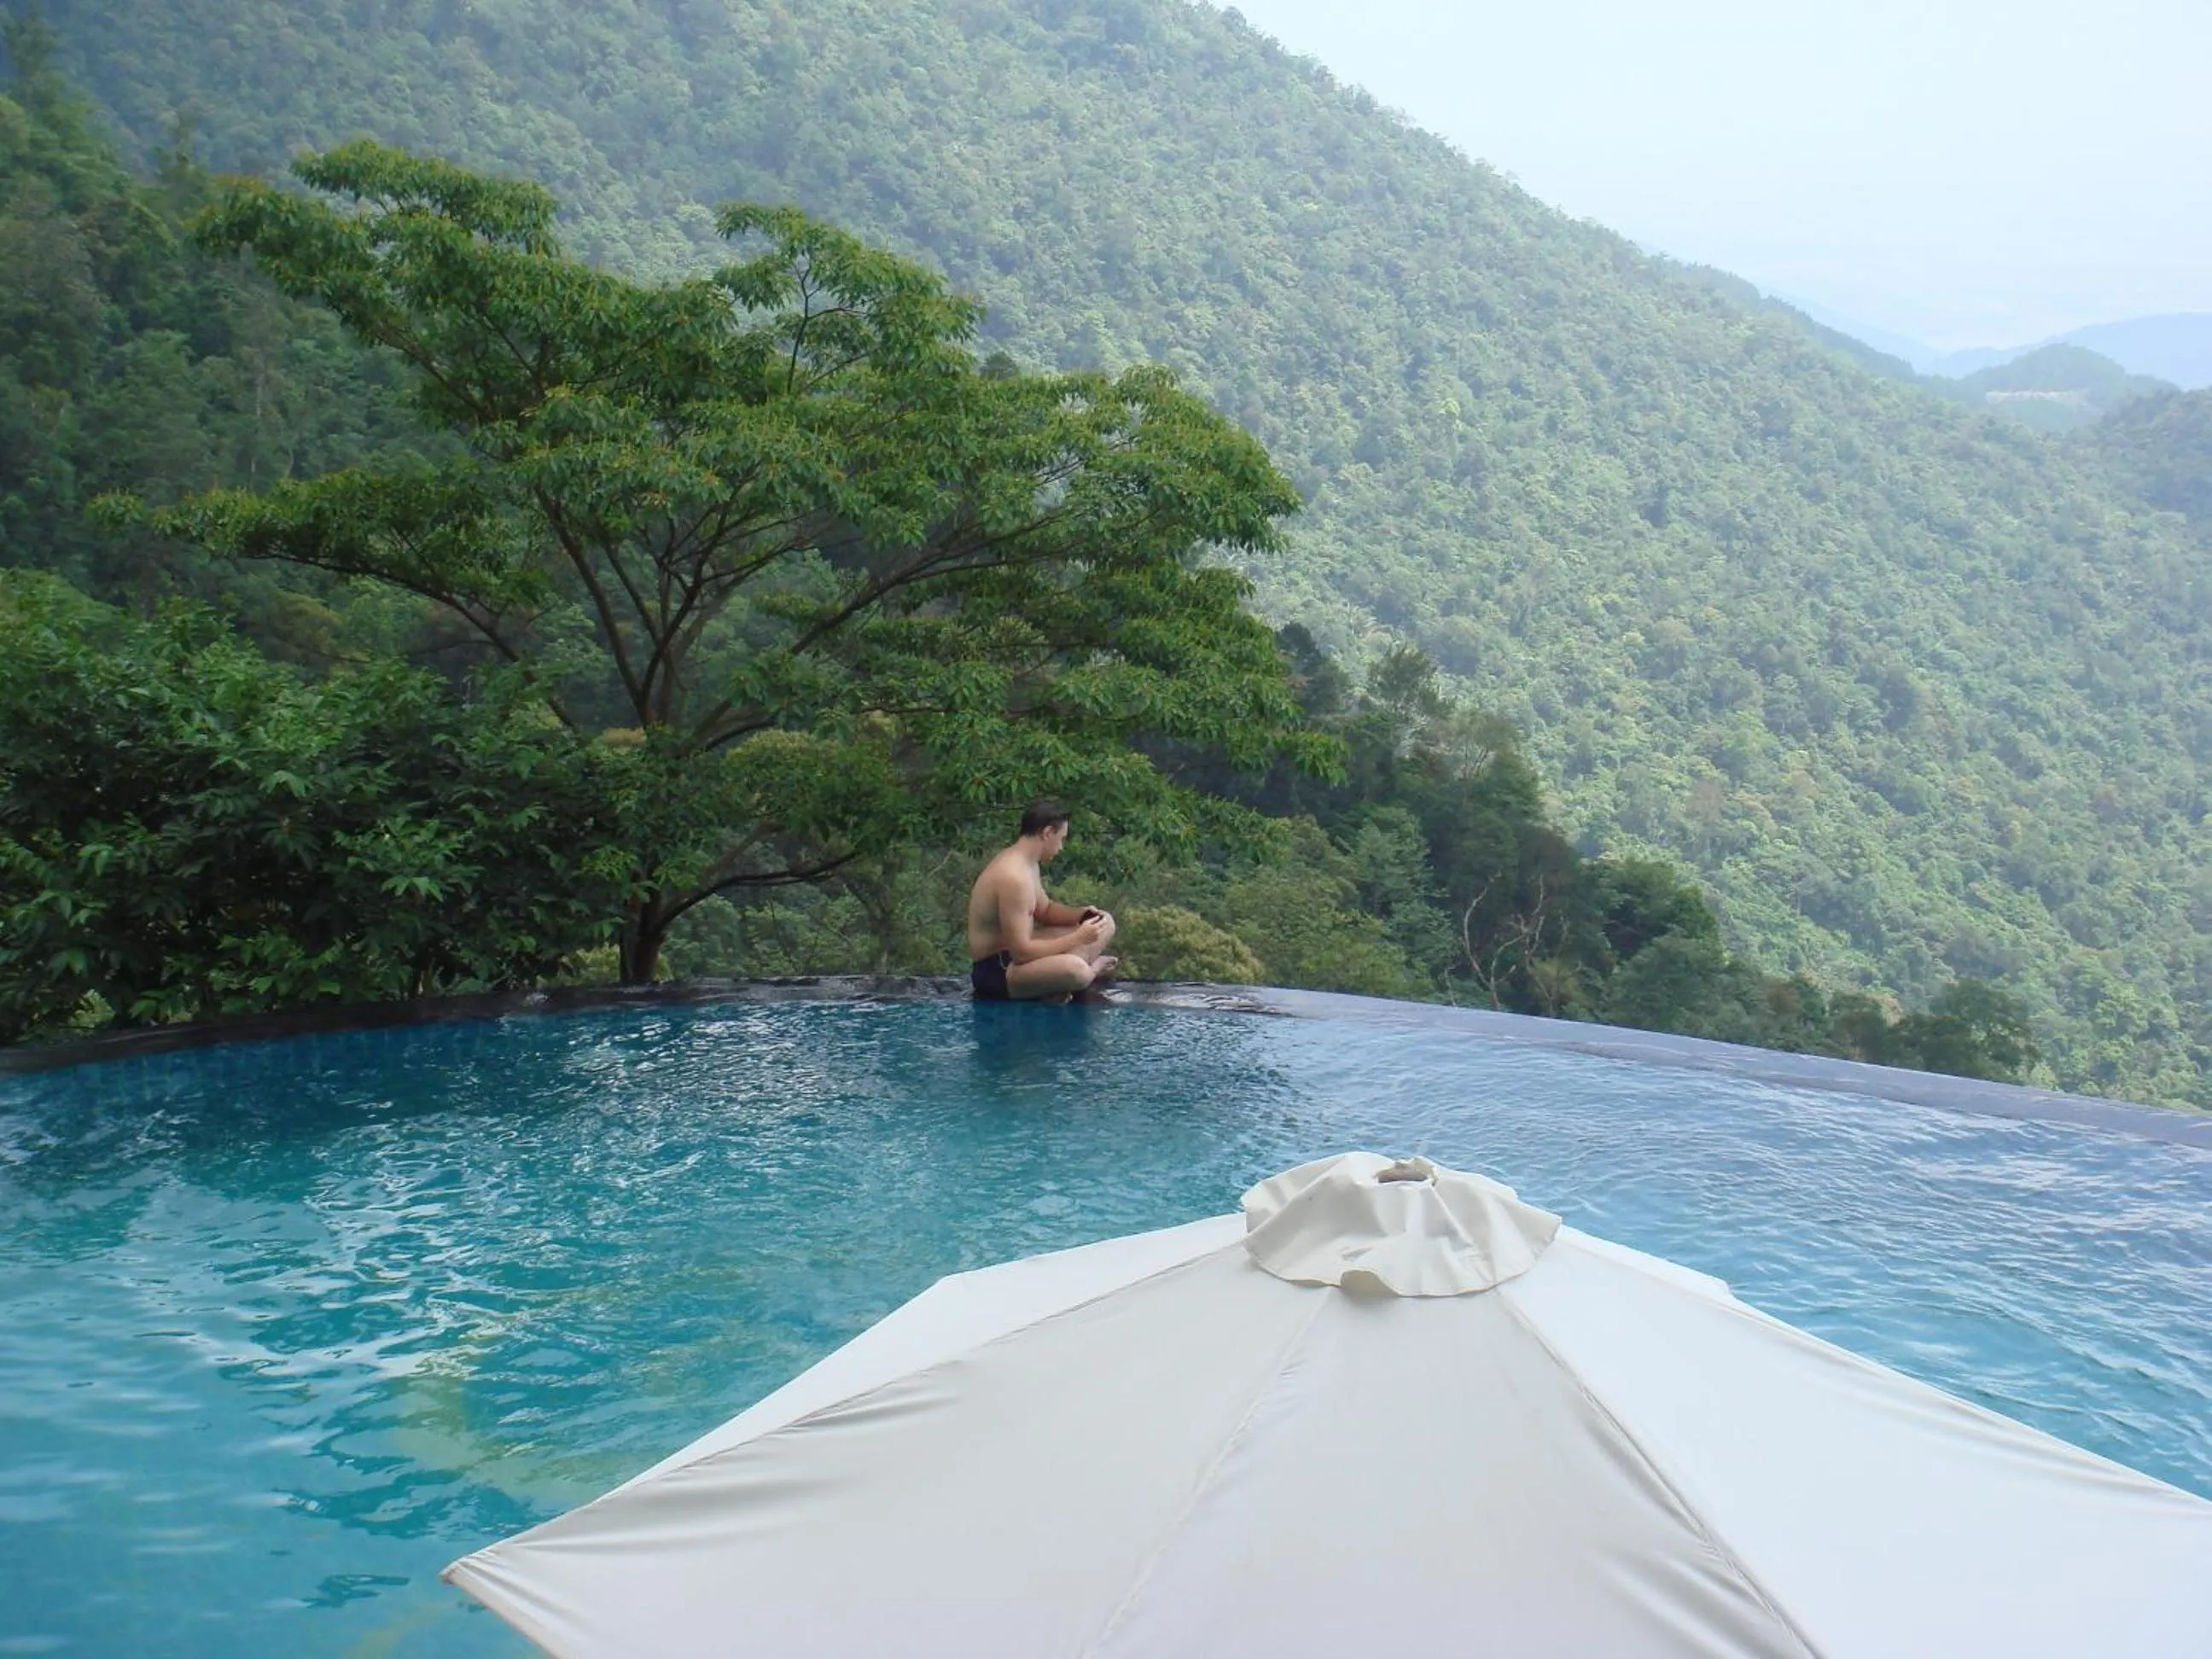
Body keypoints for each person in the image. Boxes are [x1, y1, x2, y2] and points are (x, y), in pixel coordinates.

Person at [966, 800, 1118, 1002]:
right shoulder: (1013, 877)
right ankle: (1091, 970)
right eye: (1061, 839)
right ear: (1047, 833)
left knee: (1104, 921)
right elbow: (1021, 953)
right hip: (1000, 971)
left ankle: (1050, 985)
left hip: (1018, 955)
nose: (1062, 847)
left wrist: (1080, 914)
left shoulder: (1028, 864)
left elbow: (1045, 911)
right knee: (1077, 970)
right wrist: (1078, 938)